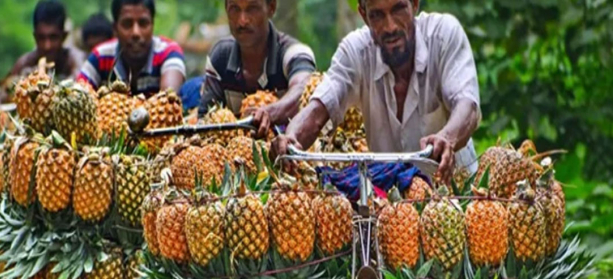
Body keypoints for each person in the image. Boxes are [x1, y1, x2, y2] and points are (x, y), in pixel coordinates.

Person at [271, 0, 481, 183]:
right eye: (377, 15)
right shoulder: (355, 52)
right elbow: (318, 110)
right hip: (393, 207)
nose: (390, 27)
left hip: (455, 195)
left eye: (398, 9)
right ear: (364, 14)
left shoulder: (444, 36)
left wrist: (448, 138)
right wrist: (291, 137)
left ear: (414, 4)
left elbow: (466, 104)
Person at [198, 0, 317, 140]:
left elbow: (304, 90)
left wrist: (270, 113)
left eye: (252, 9)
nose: (242, 21)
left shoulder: (294, 53)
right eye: (234, 9)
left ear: (271, 8)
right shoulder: (220, 57)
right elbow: (205, 121)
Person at [77, 0, 186, 96]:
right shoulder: (100, 56)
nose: (136, 33)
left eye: (143, 23)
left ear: (152, 25)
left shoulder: (168, 52)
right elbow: (78, 95)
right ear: (115, 28)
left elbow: (169, 98)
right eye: (127, 24)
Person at [9, 0, 85, 79]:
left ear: (63, 36)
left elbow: (82, 84)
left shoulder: (76, 61)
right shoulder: (24, 64)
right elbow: (5, 87)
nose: (47, 46)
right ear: (35, 37)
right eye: (41, 38)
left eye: (53, 37)